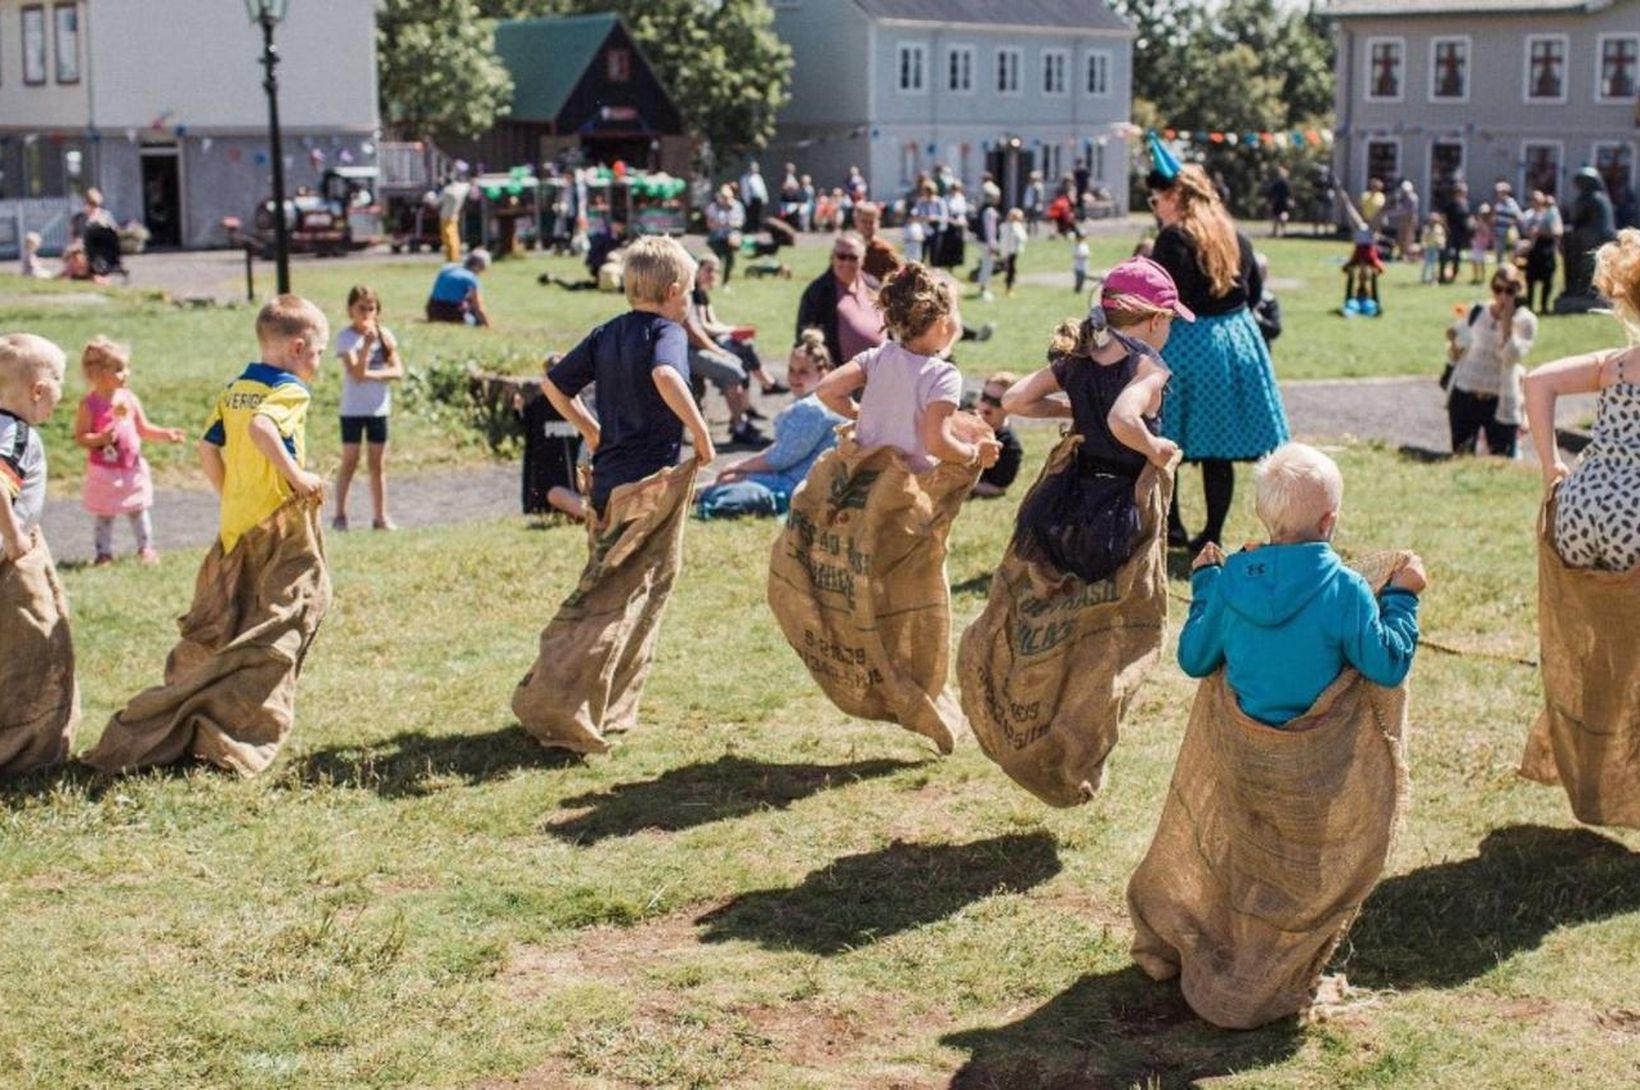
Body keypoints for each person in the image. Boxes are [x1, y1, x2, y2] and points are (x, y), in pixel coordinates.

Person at [1177, 443, 1424, 727]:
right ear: (1328, 522)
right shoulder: (1347, 590)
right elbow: (1388, 666)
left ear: (1261, 512)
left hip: (1244, 751)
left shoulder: (1231, 581)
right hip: (1321, 747)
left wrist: (1207, 582)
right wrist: (1403, 596)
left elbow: (1193, 659)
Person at [1002, 257, 1186, 582]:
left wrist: (1071, 408)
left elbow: (1014, 399)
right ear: (1156, 320)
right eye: (1172, 321)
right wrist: (1155, 448)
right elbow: (1122, 419)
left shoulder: (1080, 360)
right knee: (1121, 601)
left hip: (1069, 498)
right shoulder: (1148, 367)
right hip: (1122, 508)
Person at [1146, 162, 1290, 552]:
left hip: (1187, 343)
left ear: (1176, 197)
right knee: (1218, 448)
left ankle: (1171, 526)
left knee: (1165, 439)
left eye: (1157, 199)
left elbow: (1165, 296)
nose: (1155, 206)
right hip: (1234, 340)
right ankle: (1211, 533)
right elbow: (1256, 291)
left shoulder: (1174, 238)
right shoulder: (1235, 236)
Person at [542, 236, 716, 519]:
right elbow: (665, 375)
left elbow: (553, 385)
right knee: (651, 562)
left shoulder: (605, 333)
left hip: (607, 483)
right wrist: (701, 433)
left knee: (610, 560)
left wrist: (590, 431)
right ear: (673, 292)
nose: (690, 301)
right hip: (649, 486)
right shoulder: (668, 332)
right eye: (690, 293)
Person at [815, 261, 1001, 475]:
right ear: (942, 322)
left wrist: (863, 414)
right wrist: (974, 453)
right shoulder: (943, 375)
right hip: (906, 490)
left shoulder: (877, 357)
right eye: (956, 311)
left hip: (862, 478)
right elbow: (936, 443)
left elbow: (827, 390)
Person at [1526, 229, 1640, 570]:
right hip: (1634, 516)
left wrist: (1552, 464)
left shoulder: (1615, 364)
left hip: (1579, 506)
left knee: (1598, 611)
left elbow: (1537, 381)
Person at [198, 295, 328, 553]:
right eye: (319, 353)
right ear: (298, 348)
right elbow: (261, 426)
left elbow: (205, 447)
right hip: (277, 518)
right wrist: (298, 477)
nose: (319, 361)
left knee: (246, 593)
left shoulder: (235, 389)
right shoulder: (291, 390)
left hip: (236, 520)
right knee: (296, 589)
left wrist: (228, 495)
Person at [0, 333, 75, 776]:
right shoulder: (17, 436)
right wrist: (14, 539)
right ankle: (25, 745)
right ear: (39, 390)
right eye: (61, 382)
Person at [695, 330, 845, 518]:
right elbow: (780, 452)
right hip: (813, 479)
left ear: (824, 373)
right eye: (791, 370)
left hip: (803, 485)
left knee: (730, 478)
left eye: (803, 372)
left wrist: (738, 466)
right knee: (730, 476)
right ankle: (694, 493)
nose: (794, 377)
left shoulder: (812, 408)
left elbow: (779, 458)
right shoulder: (827, 400)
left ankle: (694, 495)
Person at [73, 336, 186, 564]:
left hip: (131, 467)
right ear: (98, 373)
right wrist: (100, 438)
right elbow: (81, 437)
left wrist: (166, 434)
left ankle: (146, 548)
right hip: (104, 470)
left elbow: (143, 428)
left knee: (138, 509)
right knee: (105, 513)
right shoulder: (90, 404)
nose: (126, 374)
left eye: (126, 368)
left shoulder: (129, 399)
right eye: (119, 369)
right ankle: (103, 553)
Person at [332, 286, 405, 532]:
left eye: (371, 308)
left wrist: (374, 372)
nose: (366, 313)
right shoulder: (346, 338)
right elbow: (356, 373)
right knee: (350, 461)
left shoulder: (385, 336)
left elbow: (398, 371)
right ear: (350, 309)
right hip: (353, 409)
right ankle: (340, 515)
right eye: (361, 307)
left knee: (377, 464)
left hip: (378, 408)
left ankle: (380, 516)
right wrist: (365, 347)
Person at [1448, 264, 1537, 458]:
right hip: (1465, 393)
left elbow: (1510, 357)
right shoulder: (1478, 310)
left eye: (1509, 290)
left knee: (1502, 461)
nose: (1503, 296)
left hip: (1499, 400)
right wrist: (1454, 342)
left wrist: (1506, 320)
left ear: (1518, 290)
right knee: (1461, 457)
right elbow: (1457, 349)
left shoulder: (1525, 321)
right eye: (1498, 289)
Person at [691, 254, 788, 399]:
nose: (712, 275)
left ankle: (756, 395)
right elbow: (704, 327)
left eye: (716, 271)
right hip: (703, 344)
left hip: (711, 340)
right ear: (698, 271)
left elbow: (714, 323)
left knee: (745, 347)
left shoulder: (702, 293)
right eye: (708, 270)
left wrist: (735, 330)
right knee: (743, 351)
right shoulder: (695, 294)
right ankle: (767, 385)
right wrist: (732, 331)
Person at [794, 232, 884, 372]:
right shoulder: (818, 293)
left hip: (881, 372)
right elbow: (805, 339)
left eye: (853, 257)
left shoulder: (873, 286)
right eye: (841, 256)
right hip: (841, 379)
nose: (846, 262)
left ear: (863, 259)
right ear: (833, 258)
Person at [517, 353, 586, 521]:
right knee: (552, 491)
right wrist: (518, 410)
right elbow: (526, 425)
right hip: (548, 473)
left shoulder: (578, 402)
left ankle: (581, 511)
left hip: (574, 474)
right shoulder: (539, 405)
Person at [970, 370, 1023, 498]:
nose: (986, 408)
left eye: (996, 403)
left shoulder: (1009, 446)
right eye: (985, 398)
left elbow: (997, 488)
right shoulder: (960, 416)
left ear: (1011, 408)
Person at [425, 249, 492, 326]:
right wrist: (487, 325)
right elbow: (479, 308)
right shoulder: (472, 278)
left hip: (432, 312)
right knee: (475, 319)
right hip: (453, 315)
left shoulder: (447, 268)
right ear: (479, 266)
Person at [1523, 190, 1562, 314]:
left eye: (1538, 201)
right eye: (1533, 200)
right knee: (1530, 280)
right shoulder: (1528, 215)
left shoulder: (1551, 214)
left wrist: (1542, 232)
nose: (1535, 203)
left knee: (1547, 280)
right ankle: (1529, 305)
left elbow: (1558, 231)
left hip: (1547, 249)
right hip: (1533, 250)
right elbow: (1525, 231)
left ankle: (1544, 306)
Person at [705, 184, 744, 284]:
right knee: (716, 261)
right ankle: (712, 281)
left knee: (730, 261)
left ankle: (725, 283)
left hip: (731, 238)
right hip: (716, 237)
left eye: (728, 198)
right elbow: (710, 225)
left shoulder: (737, 206)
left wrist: (729, 224)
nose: (726, 200)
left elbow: (739, 223)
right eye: (723, 197)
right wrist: (720, 225)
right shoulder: (713, 207)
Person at [1441, 181, 1473, 286]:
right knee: (1447, 254)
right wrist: (1446, 229)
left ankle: (1454, 273)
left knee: (1457, 255)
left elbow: (1467, 217)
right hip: (1451, 232)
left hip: (1461, 233)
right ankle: (1442, 274)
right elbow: (1444, 217)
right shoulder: (1451, 204)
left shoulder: (1465, 204)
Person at [437, 173, 471, 263]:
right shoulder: (462, 188)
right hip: (455, 215)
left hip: (445, 216)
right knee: (455, 236)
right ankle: (455, 255)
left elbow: (437, 202)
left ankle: (451, 257)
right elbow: (467, 185)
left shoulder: (447, 191)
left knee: (448, 237)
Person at [1251, 252, 1282, 346]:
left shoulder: (1268, 300)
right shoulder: (1237, 298)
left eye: (1264, 270)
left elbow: (1275, 330)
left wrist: (1258, 319)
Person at [1492, 182, 1524, 267]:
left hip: (1508, 234)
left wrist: (1512, 223)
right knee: (1499, 255)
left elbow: (1519, 217)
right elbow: (1495, 218)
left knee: (1511, 255)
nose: (1497, 194)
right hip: (1499, 233)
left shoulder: (1511, 203)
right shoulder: (1498, 203)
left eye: (1500, 192)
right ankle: (1501, 274)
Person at [976, 190, 1000, 302]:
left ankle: (984, 287)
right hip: (987, 242)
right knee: (987, 265)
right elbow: (991, 230)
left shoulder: (983, 209)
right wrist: (993, 245)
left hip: (983, 241)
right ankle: (984, 288)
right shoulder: (990, 211)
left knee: (986, 264)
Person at [1000, 208, 1027, 297]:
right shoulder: (1014, 226)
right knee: (1011, 269)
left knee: (1011, 268)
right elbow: (1022, 237)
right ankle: (1009, 287)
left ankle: (1009, 285)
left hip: (1009, 251)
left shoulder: (1005, 225)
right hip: (1010, 251)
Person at [1393, 179, 1420, 260]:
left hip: (1410, 219)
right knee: (1401, 237)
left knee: (1408, 237)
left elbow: (1411, 211)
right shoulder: (1401, 198)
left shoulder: (1413, 198)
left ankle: (1407, 254)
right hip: (1402, 219)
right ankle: (1401, 254)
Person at [740, 161, 768, 234]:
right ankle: (750, 230)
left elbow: (762, 188)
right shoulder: (745, 178)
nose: (755, 169)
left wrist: (765, 198)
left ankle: (757, 229)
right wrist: (747, 201)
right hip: (750, 200)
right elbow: (745, 190)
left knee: (759, 215)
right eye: (753, 168)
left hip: (759, 199)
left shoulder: (758, 177)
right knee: (750, 216)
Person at [1470, 203, 1494, 285]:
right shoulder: (1479, 222)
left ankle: (1482, 278)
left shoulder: (1488, 223)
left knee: (1481, 262)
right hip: (1476, 244)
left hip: (1482, 246)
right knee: (1474, 261)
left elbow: (1486, 233)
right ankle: (1475, 277)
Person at [1420, 213, 1448, 285]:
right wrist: (1423, 244)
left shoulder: (1439, 228)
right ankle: (1423, 278)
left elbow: (1442, 238)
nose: (1433, 222)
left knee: (1434, 265)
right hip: (1428, 248)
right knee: (1426, 264)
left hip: (1435, 248)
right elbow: (1423, 238)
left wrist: (1442, 244)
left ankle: (1433, 279)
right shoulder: (1426, 228)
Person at [1266, 166, 1292, 239]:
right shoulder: (1285, 183)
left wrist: (1270, 203)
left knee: (1277, 217)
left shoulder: (1278, 183)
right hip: (1281, 202)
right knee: (1279, 217)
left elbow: (1272, 194)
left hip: (1279, 202)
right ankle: (1280, 231)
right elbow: (1289, 194)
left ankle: (1277, 232)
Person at [1023, 172, 1045, 236]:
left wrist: (1036, 204)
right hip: (1028, 204)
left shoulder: (1038, 186)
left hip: (1035, 205)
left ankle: (1036, 232)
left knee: (1035, 219)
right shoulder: (1029, 186)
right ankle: (1028, 231)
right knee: (1028, 219)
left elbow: (1039, 197)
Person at [1072, 230, 1091, 295]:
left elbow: (1087, 254)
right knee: (1079, 280)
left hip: (1084, 266)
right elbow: (1075, 255)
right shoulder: (1076, 246)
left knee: (1082, 279)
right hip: (1078, 267)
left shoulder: (1084, 245)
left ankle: (1079, 291)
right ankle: (1077, 291)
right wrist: (1083, 256)